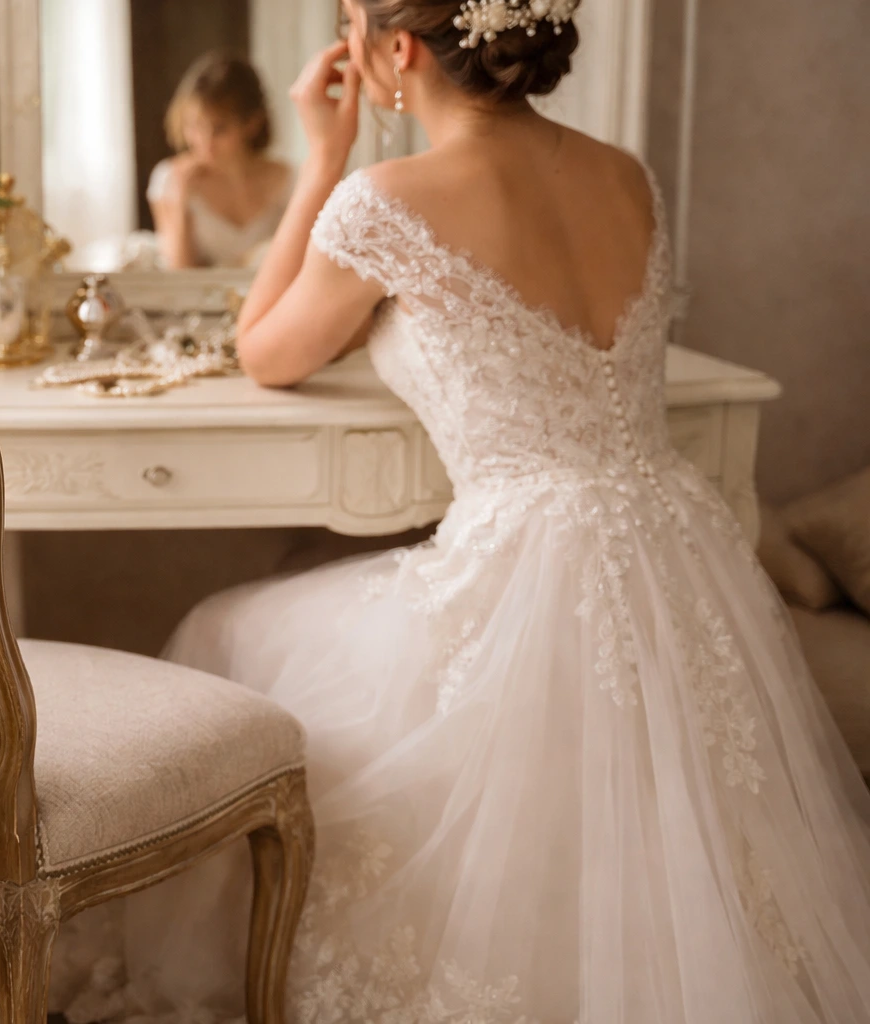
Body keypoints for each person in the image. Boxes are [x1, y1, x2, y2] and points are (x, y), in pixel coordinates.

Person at [52, 0, 870, 1020]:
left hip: (527, 553)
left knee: (226, 628)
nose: (347, 45)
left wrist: (323, 157)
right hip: (679, 539)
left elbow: (264, 350)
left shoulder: (381, 201)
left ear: (396, 50)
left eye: (353, 22)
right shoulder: (627, 175)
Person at [147, 54, 293, 269]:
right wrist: (181, 203)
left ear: (252, 124)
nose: (205, 142)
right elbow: (178, 274)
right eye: (194, 126)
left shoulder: (290, 180)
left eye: (219, 129)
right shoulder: (168, 178)